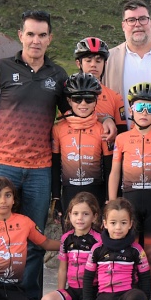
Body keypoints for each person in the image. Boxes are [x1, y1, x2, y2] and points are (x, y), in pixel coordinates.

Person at [0, 9, 67, 300]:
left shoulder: (58, 75)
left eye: (42, 35)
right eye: (30, 34)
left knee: (34, 239)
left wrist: (104, 120)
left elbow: (73, 113)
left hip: (40, 170)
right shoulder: (1, 68)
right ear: (21, 36)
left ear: (50, 39)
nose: (36, 40)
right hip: (4, 166)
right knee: (1, 239)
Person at [109, 81, 151, 285]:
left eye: (150, 108)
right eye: (140, 107)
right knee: (129, 254)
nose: (144, 112)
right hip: (129, 204)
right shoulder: (122, 139)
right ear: (131, 109)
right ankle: (130, 296)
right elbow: (114, 173)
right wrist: (112, 205)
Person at [74, 198, 151, 300]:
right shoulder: (97, 249)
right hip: (105, 298)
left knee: (139, 298)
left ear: (130, 224)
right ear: (105, 224)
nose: (118, 228)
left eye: (123, 223)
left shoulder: (136, 249)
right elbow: (88, 277)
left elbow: (145, 277)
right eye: (113, 223)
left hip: (127, 295)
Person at [52, 72, 111, 220]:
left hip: (96, 191)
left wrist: (109, 198)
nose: (83, 104)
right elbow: (55, 166)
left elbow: (109, 167)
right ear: (69, 100)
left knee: (97, 239)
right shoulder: (58, 129)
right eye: (77, 99)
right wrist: (56, 198)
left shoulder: (102, 128)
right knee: (70, 239)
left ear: (96, 100)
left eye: (89, 99)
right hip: (68, 192)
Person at [41, 191, 102, 300]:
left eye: (85, 214)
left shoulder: (99, 240)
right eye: (75, 214)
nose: (80, 218)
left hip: (90, 292)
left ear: (95, 217)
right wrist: (61, 291)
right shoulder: (66, 239)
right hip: (73, 291)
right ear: (69, 215)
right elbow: (63, 269)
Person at [73, 37, 124, 141]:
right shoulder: (69, 94)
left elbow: (122, 134)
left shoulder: (115, 97)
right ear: (79, 64)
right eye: (88, 60)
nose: (93, 64)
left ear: (105, 64)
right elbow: (64, 123)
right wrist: (104, 119)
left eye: (98, 61)